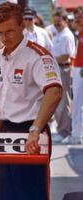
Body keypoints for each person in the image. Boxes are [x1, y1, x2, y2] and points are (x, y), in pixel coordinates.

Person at [0, 2, 62, 200]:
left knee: (31, 194)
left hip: (30, 132)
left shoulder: (38, 56)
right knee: (6, 195)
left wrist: (35, 129)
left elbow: (54, 92)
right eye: (0, 32)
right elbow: (2, 101)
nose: (5, 37)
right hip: (5, 132)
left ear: (23, 25)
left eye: (10, 31)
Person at [50, 8, 76, 144]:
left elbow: (67, 55)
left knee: (63, 102)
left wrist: (51, 61)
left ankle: (64, 131)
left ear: (65, 21)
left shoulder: (67, 35)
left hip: (63, 69)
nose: (56, 24)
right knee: (59, 101)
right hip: (58, 69)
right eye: (55, 22)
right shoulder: (58, 34)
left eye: (59, 22)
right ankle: (62, 129)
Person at [70, 6, 83, 144]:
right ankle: (77, 134)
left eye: (80, 18)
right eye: (76, 19)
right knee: (77, 103)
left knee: (78, 103)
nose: (77, 21)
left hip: (81, 69)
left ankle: (77, 134)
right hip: (78, 69)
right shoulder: (79, 33)